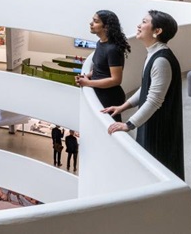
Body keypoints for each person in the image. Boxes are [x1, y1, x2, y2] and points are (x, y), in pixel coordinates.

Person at [102, 10, 184, 180]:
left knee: (158, 169)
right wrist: (123, 107)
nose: (139, 25)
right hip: (151, 121)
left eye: (144, 22)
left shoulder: (162, 60)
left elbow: (154, 100)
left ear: (157, 31)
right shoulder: (153, 53)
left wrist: (129, 125)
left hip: (159, 126)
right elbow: (146, 88)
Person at [75, 10, 130, 121]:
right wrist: (87, 76)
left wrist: (88, 83)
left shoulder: (112, 49)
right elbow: (99, 68)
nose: (91, 23)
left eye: (95, 21)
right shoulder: (100, 43)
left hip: (109, 97)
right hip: (100, 92)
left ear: (106, 27)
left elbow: (116, 80)